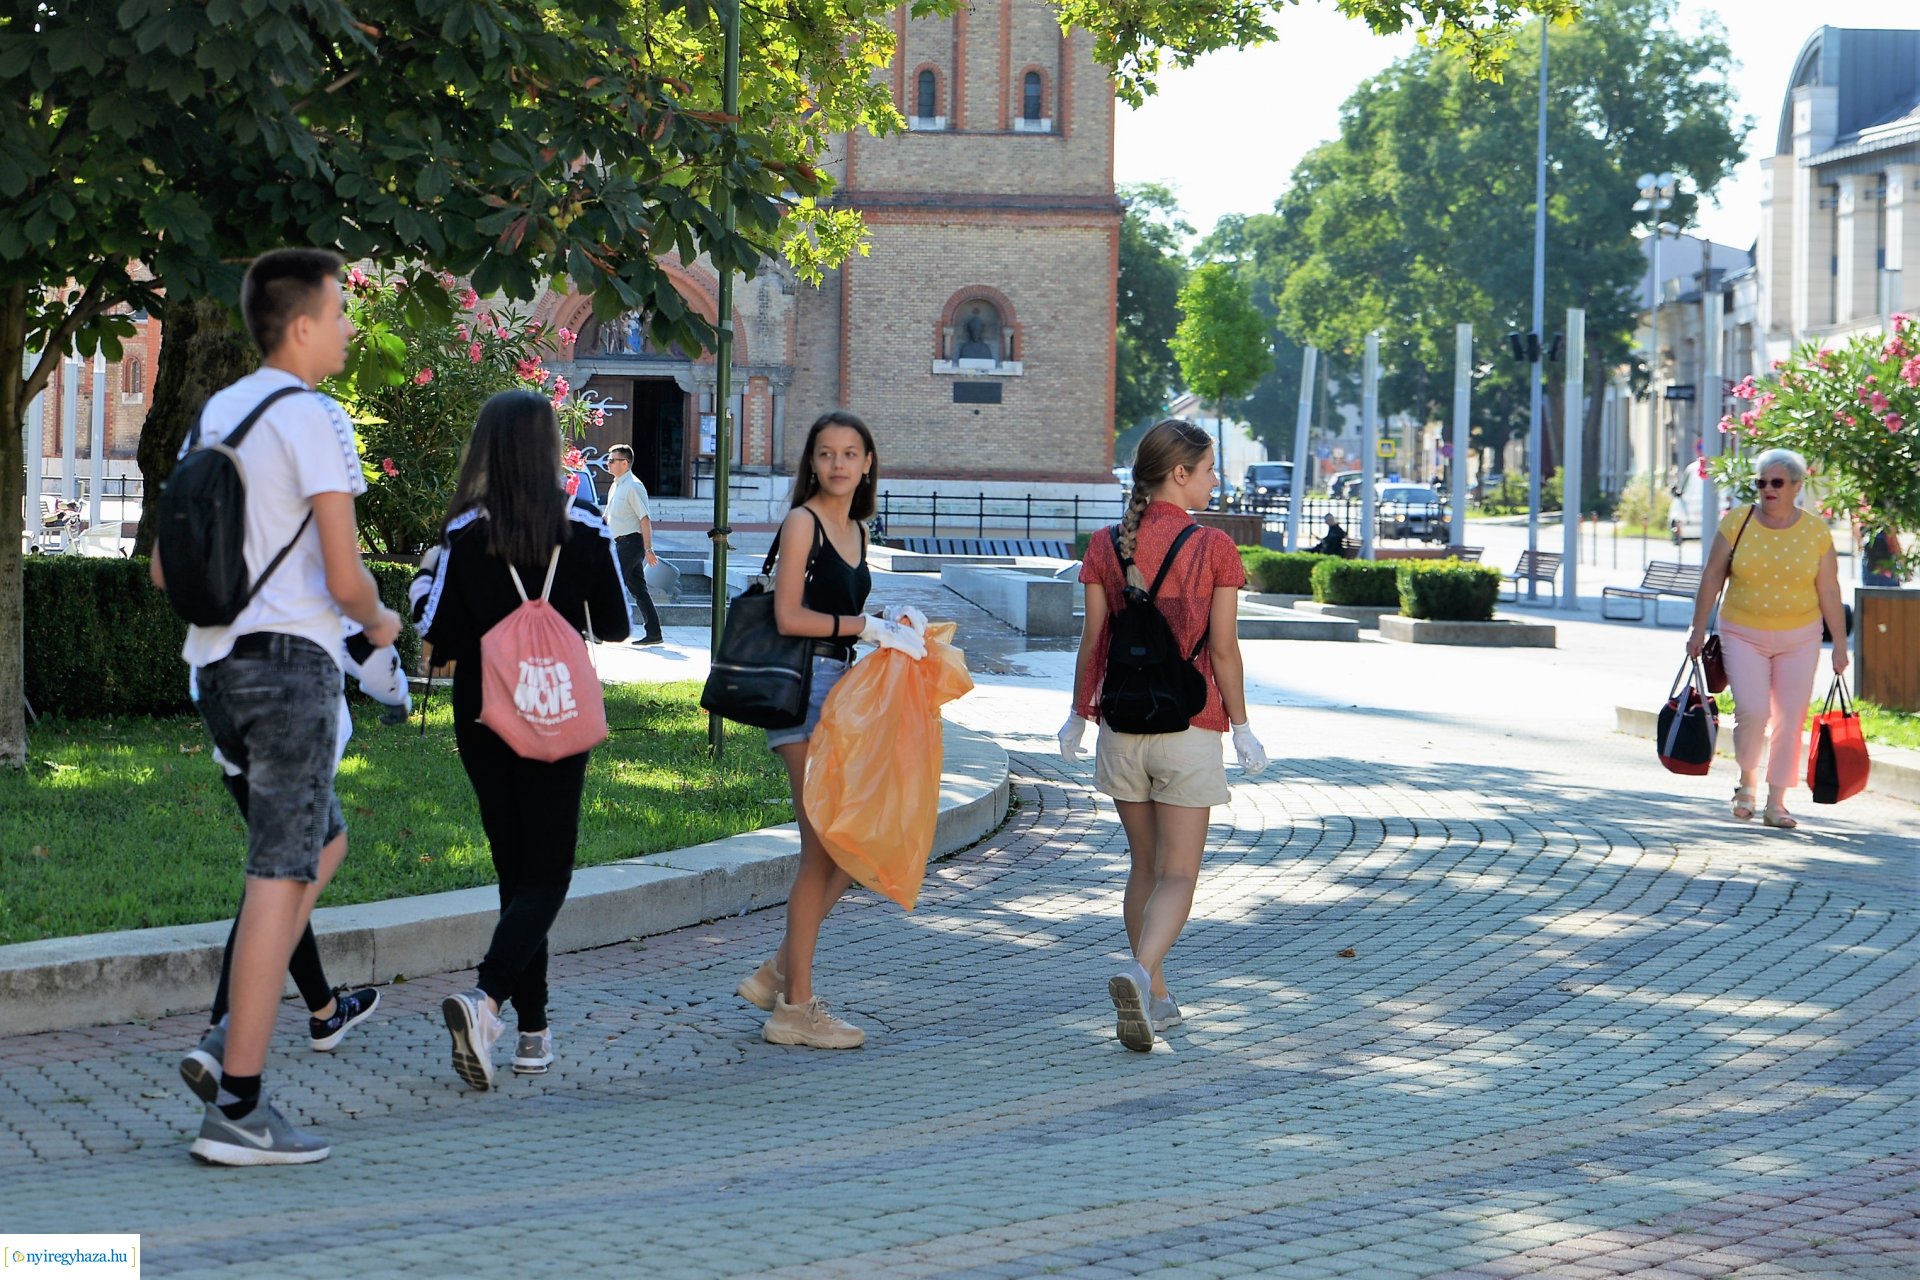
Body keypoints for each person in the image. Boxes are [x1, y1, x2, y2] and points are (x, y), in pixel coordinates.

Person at [154, 247, 403, 1165]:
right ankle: (240, 1107)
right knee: (279, 875)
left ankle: (233, 1035)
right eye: (339, 311)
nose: (346, 326)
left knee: (319, 845)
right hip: (292, 673)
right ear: (301, 325)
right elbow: (345, 578)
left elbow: (162, 566)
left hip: (216, 668)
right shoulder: (314, 418)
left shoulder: (217, 413)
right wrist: (385, 626)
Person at [416, 391, 631, 1089]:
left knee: (517, 869)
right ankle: (486, 1002)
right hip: (558, 708)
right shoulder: (587, 525)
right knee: (550, 874)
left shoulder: (463, 533)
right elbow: (618, 624)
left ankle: (532, 1034)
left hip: (485, 711)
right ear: (548, 446)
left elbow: (442, 637)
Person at [1058, 418, 1268, 1052]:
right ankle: (1140, 971)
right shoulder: (1213, 548)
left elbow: (1092, 643)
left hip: (1120, 729)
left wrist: (1078, 714)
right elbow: (1224, 651)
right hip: (1189, 727)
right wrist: (1243, 726)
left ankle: (1158, 999)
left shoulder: (1106, 545)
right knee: (1179, 873)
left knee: (1143, 867)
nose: (1214, 481)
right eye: (1207, 470)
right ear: (1180, 473)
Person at [733, 410, 927, 1049]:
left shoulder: (857, 528)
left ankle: (779, 972)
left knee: (850, 844)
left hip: (842, 693)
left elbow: (839, 608)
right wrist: (863, 629)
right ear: (811, 463)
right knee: (827, 849)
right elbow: (790, 615)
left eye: (851, 453)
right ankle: (795, 1007)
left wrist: (883, 620)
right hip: (800, 697)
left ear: (868, 462)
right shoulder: (803, 522)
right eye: (826, 453)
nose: (839, 464)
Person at [1686, 448, 1850, 829]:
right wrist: (1697, 627)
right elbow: (1712, 576)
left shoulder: (1815, 532)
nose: (1768, 489)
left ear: (1796, 486)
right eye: (1762, 482)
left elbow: (1829, 590)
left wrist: (1839, 645)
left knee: (1790, 718)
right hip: (1742, 632)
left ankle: (1777, 802)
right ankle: (1746, 781)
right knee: (1753, 710)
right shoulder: (1737, 522)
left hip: (1801, 636)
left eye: (1777, 483)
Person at [603, 444, 664, 644]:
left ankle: (602, 628)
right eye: (608, 459)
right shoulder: (616, 484)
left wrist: (648, 549)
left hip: (632, 542)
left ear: (625, 463)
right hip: (619, 542)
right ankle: (654, 632)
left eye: (612, 460)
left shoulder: (634, 486)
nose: (608, 463)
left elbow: (644, 519)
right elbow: (609, 515)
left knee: (612, 582)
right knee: (638, 589)